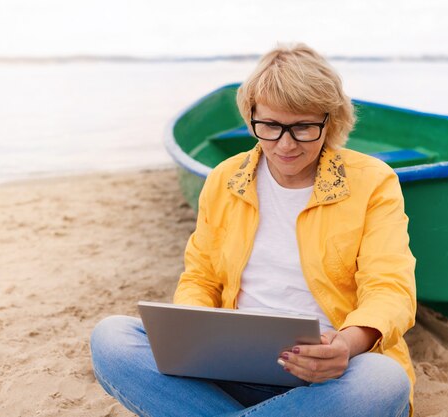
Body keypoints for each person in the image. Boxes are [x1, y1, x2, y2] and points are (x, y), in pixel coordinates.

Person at [90, 43, 416, 417]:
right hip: (227, 371)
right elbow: (201, 278)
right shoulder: (225, 179)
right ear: (252, 117)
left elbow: (391, 288)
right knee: (111, 337)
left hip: (330, 376)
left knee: (384, 380)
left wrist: (345, 345)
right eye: (271, 126)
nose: (285, 144)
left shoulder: (372, 181)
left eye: (304, 127)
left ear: (331, 121)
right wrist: (191, 338)